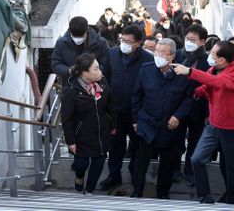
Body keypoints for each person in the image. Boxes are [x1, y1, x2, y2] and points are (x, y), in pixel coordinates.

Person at [171, 41, 234, 204]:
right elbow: (209, 84)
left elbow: (219, 82)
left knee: (230, 167)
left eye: (213, 53)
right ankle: (205, 197)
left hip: (229, 129)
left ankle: (230, 199)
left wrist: (190, 72)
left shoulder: (232, 73)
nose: (209, 55)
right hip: (213, 125)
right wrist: (196, 92)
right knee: (197, 159)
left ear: (222, 60)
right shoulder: (213, 68)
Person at [131, 38, 193, 198]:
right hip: (147, 124)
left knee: (167, 163)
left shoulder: (183, 74)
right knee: (140, 162)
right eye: (156, 51)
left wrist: (178, 116)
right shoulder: (146, 69)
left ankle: (163, 195)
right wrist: (135, 120)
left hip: (169, 127)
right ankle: (137, 192)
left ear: (172, 56)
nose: (157, 55)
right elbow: (136, 96)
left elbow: (189, 98)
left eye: (162, 52)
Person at [100, 25, 153, 191]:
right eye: (122, 40)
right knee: (115, 146)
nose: (124, 44)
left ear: (138, 43)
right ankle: (114, 176)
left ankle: (135, 177)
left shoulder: (147, 59)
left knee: (137, 146)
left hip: (137, 112)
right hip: (115, 110)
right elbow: (105, 77)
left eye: (129, 41)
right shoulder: (113, 53)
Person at [61, 53, 117, 195]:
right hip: (82, 136)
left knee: (98, 163)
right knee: (81, 164)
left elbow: (111, 105)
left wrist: (113, 125)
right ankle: (79, 177)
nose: (100, 72)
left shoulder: (102, 82)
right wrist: (71, 141)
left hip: (102, 132)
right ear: (85, 72)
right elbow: (66, 119)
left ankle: (89, 191)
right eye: (96, 69)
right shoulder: (71, 90)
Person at [174, 24, 209, 186]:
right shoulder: (178, 55)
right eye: (187, 38)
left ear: (203, 41)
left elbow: (210, 85)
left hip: (198, 107)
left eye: (193, 40)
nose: (188, 42)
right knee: (176, 140)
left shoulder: (208, 61)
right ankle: (174, 169)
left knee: (194, 141)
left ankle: (189, 170)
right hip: (178, 106)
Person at [51, 16, 109, 84]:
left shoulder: (101, 43)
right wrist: (69, 71)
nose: (78, 40)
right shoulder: (61, 43)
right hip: (70, 85)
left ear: (87, 31)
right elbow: (55, 63)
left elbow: (106, 64)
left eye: (81, 36)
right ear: (70, 32)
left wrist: (91, 72)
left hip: (94, 84)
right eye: (75, 36)